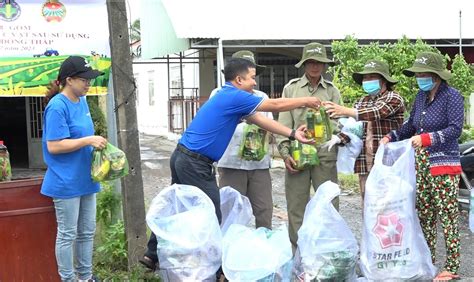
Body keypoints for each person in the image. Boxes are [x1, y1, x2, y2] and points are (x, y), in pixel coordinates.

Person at [140, 57, 322, 271]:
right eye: (252, 78)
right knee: (212, 214)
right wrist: (306, 101)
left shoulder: (230, 96)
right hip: (195, 162)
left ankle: (152, 255)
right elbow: (274, 105)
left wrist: (292, 134)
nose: (255, 83)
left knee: (176, 207)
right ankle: (215, 269)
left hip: (183, 156)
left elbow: (260, 119)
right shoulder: (234, 96)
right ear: (238, 79)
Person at [381, 52, 463, 280]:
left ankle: (453, 266)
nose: (420, 78)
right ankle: (428, 260)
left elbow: (455, 130)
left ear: (436, 76)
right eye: (418, 74)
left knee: (447, 214)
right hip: (421, 164)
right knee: (425, 214)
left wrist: (427, 139)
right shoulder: (420, 96)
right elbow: (411, 125)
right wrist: (392, 136)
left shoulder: (452, 96)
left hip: (443, 164)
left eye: (424, 74)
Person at [41, 56, 107, 282]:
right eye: (84, 80)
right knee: (68, 234)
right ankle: (68, 279)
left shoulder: (83, 101)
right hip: (65, 181)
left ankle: (86, 277)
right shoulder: (57, 107)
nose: (89, 84)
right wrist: (88, 141)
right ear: (69, 80)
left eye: (89, 80)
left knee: (87, 232)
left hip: (86, 178)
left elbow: (84, 136)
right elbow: (54, 145)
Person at [277, 42, 343, 252]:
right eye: (311, 62)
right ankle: (300, 254)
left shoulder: (331, 91)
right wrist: (285, 152)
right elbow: (284, 123)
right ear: (304, 64)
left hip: (324, 153)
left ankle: (328, 252)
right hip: (299, 153)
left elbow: (338, 121)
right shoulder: (292, 88)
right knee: (297, 206)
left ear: (324, 66)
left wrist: (321, 129)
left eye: (319, 63)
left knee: (328, 203)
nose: (315, 67)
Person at [324, 59, 405, 201]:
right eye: (366, 78)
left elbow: (376, 112)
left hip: (387, 163)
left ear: (383, 80)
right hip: (365, 163)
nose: (368, 80)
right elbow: (354, 129)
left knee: (389, 206)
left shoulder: (393, 97)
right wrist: (339, 138)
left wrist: (345, 110)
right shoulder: (362, 101)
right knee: (368, 207)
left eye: (372, 77)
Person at [214, 50, 274, 229]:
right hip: (230, 163)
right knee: (231, 211)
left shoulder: (261, 98)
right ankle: (231, 252)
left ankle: (264, 250)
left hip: (259, 164)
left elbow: (270, 127)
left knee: (264, 211)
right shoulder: (218, 94)